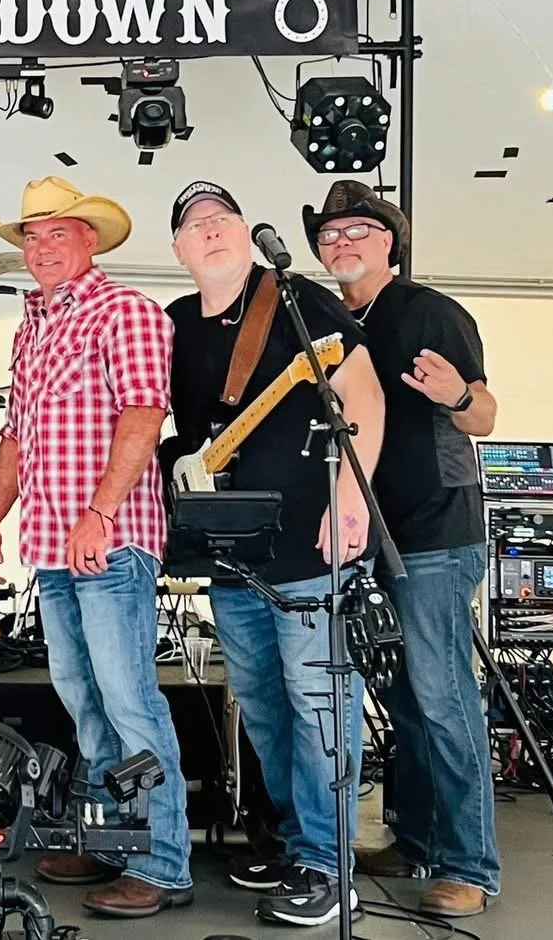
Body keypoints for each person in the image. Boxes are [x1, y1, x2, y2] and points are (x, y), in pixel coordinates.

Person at [164, 181, 384, 927]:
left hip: (307, 550)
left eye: (223, 218)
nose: (212, 230)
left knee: (320, 707)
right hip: (231, 559)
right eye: (196, 225)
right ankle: (298, 843)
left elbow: (364, 395)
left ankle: (330, 865)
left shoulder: (295, 300)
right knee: (262, 711)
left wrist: (349, 501)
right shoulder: (173, 325)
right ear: (178, 250)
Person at [0, 177, 193, 919]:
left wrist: (99, 513)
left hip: (110, 539)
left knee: (129, 702)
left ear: (89, 240)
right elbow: (15, 434)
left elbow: (143, 414)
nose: (40, 249)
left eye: (55, 234)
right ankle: (109, 843)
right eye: (30, 237)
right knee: (84, 702)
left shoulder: (124, 310)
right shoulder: (31, 325)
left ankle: (161, 865)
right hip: (51, 543)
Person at [306, 180, 500, 919]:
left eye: (359, 229)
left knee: (444, 699)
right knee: (401, 698)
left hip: (431, 535)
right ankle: (415, 836)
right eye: (331, 233)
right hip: (361, 537)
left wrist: (455, 397)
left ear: (389, 242)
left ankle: (468, 865)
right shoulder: (324, 320)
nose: (342, 241)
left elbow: (483, 412)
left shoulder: (429, 312)